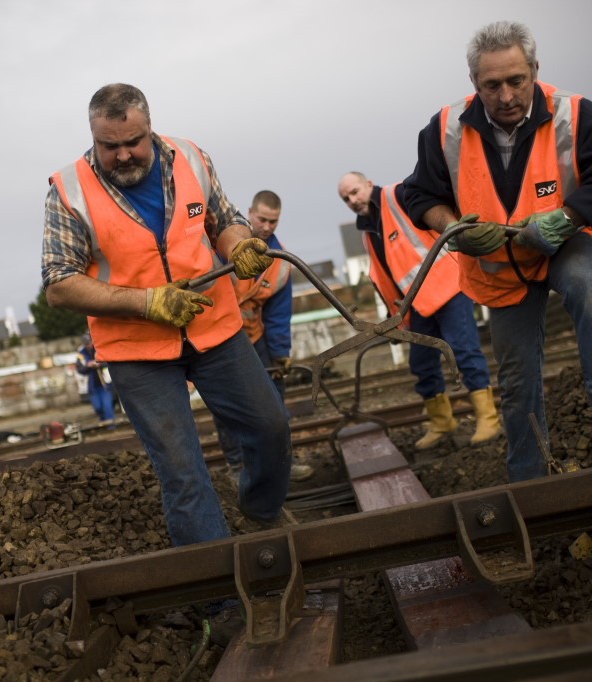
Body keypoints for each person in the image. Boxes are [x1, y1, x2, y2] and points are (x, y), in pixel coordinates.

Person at [401, 21, 592, 482]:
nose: (505, 96)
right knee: (518, 374)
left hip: (564, 241)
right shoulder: (445, 131)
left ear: (535, 70)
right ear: (474, 84)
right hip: (501, 264)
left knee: (589, 291)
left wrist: (569, 217)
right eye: (492, 85)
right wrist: (454, 229)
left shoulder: (575, 115)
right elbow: (419, 195)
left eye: (517, 81)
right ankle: (528, 474)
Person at [41, 83, 293, 550]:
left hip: (214, 327)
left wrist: (240, 245)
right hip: (136, 350)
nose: (122, 155)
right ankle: (218, 596)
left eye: (132, 142)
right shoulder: (69, 190)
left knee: (270, 426)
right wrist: (146, 303)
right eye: (109, 146)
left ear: (150, 129)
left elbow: (224, 218)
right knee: (181, 470)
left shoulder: (191, 157)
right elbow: (58, 284)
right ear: (93, 136)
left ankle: (259, 512)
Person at [337, 172, 501, 450]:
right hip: (415, 304)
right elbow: (387, 273)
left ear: (368, 184)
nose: (352, 200)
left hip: (447, 288)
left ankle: (488, 418)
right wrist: (394, 317)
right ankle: (442, 422)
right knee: (422, 364)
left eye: (354, 192)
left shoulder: (397, 195)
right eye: (346, 198)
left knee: (463, 350)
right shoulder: (367, 229)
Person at [212, 190, 314, 483]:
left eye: (274, 221)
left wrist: (280, 352)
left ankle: (282, 463)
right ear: (250, 212)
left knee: (273, 402)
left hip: (255, 339)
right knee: (227, 404)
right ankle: (237, 467)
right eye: (263, 219)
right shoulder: (221, 244)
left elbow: (278, 314)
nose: (268, 227)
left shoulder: (280, 262)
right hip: (220, 338)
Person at [75, 332, 115, 427]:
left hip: (105, 384)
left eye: (89, 342)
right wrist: (88, 365)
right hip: (92, 386)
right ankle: (103, 421)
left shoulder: (99, 349)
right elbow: (80, 369)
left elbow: (109, 361)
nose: (88, 345)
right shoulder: (81, 354)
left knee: (107, 406)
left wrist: (99, 364)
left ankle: (111, 426)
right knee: (97, 407)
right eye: (86, 343)